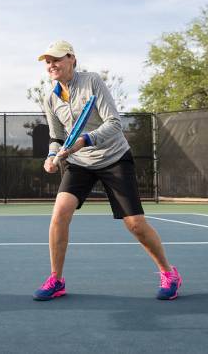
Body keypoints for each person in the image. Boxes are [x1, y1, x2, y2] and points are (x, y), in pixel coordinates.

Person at [33, 40, 182, 301]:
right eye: (48, 61)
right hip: (79, 163)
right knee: (59, 214)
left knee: (135, 224)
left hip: (113, 157)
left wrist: (83, 141)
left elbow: (115, 123)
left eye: (56, 59)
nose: (51, 65)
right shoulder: (50, 97)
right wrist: (51, 155)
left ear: (72, 59)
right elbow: (56, 137)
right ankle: (56, 280)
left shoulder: (92, 82)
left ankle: (169, 273)